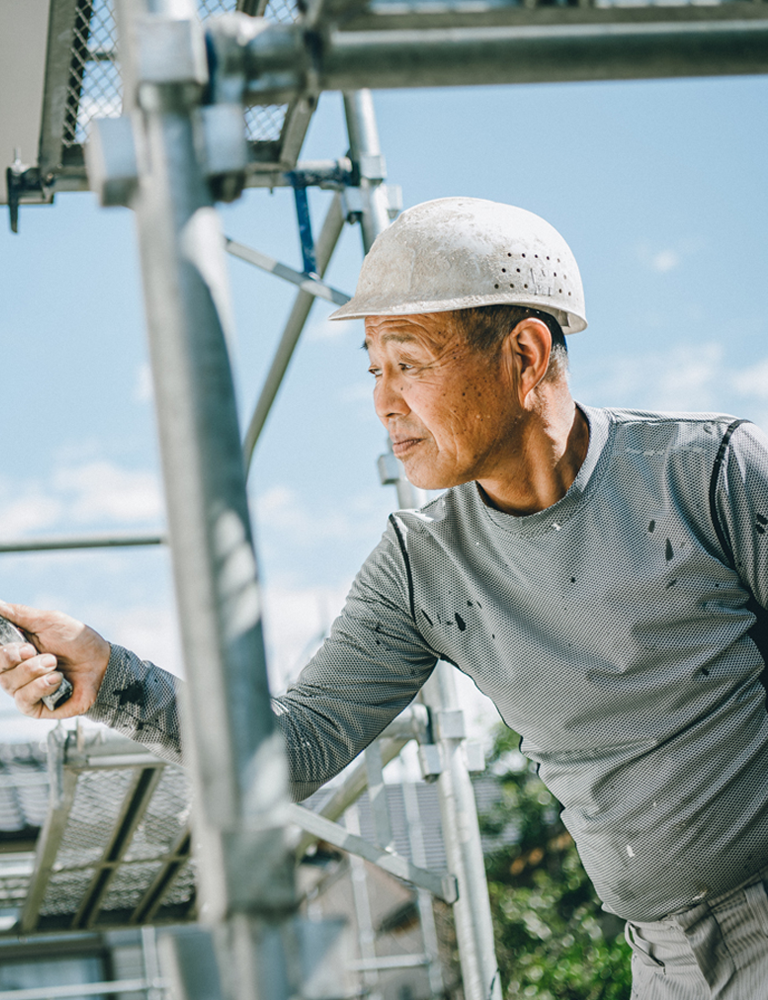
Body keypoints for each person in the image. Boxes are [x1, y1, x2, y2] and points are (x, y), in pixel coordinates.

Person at [1, 197, 767, 999]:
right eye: (374, 369)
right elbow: (293, 752)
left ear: (526, 356)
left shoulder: (709, 474)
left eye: (409, 362)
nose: (383, 402)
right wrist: (112, 677)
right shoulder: (422, 565)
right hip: (663, 963)